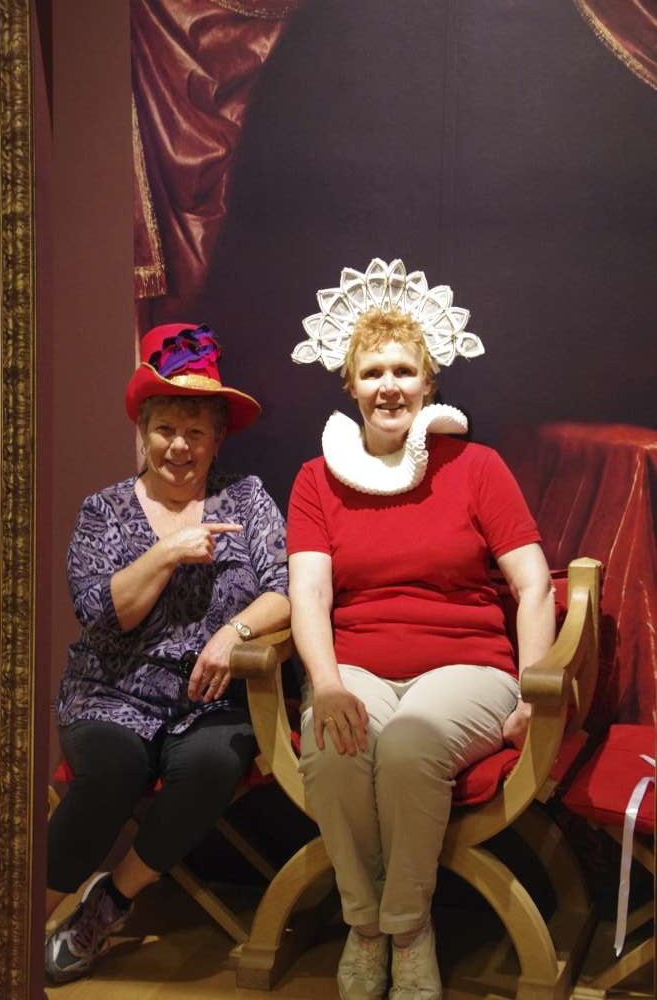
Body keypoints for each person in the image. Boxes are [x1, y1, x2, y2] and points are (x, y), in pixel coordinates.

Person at [287, 259, 555, 1000]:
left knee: (410, 742)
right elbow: (309, 591)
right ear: (350, 385)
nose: (389, 387)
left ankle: (407, 931)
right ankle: (364, 926)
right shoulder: (316, 479)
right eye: (372, 372)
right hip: (359, 667)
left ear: (429, 382)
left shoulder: (476, 466)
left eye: (404, 371)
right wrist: (327, 684)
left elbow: (533, 583)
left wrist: (533, 690)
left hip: (469, 667)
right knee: (332, 745)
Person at [45, 322, 290, 983]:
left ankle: (110, 902)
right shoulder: (103, 511)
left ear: (217, 439)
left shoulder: (246, 498)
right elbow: (103, 613)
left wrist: (233, 633)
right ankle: (16, 924)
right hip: (111, 693)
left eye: (196, 431)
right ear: (143, 433)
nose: (179, 445)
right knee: (112, 772)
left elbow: (286, 590)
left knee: (212, 764)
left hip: (209, 699)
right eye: (165, 429)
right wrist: (166, 552)